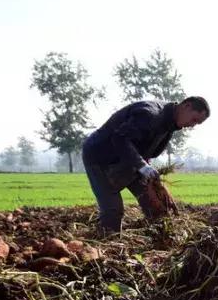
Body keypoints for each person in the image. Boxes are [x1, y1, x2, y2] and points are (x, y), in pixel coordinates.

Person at [82, 96, 209, 232]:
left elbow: (147, 150)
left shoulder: (170, 124)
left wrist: (150, 175)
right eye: (194, 119)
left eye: (197, 124)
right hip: (100, 157)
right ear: (186, 106)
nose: (192, 125)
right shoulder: (150, 114)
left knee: (159, 204)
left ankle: (161, 242)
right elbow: (119, 139)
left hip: (129, 160)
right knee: (113, 210)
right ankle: (106, 244)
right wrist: (142, 166)